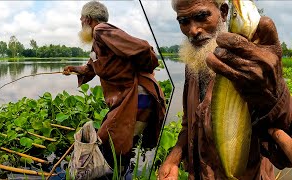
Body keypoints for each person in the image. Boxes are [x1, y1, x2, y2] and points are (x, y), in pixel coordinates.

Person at [158, 0, 292, 179]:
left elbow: (282, 154)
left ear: (223, 12)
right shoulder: (193, 64)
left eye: (201, 16)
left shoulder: (255, 70)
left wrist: (274, 94)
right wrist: (173, 160)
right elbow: (187, 123)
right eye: (183, 21)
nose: (193, 30)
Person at [63, 0, 166, 176]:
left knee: (112, 142)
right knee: (117, 143)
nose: (80, 23)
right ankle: (119, 173)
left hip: (137, 96)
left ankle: (117, 174)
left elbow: (142, 49)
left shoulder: (101, 30)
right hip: (125, 98)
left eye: (81, 19)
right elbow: (91, 68)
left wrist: (142, 72)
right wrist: (73, 69)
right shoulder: (98, 43)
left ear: (88, 19)